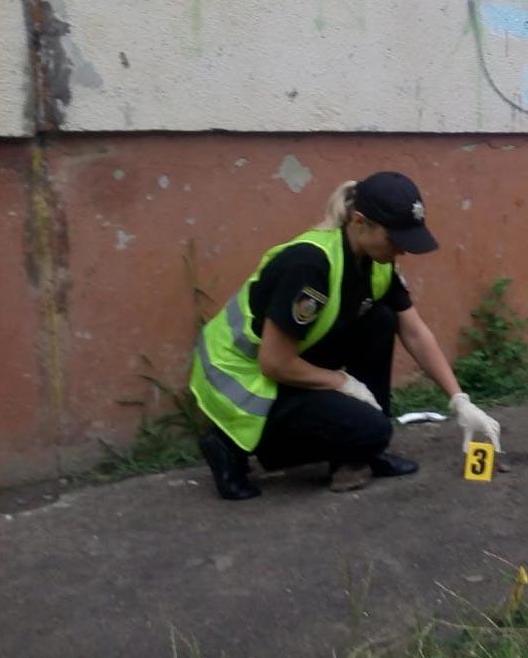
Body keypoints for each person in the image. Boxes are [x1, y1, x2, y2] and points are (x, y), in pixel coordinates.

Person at [190, 171, 502, 499]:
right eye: (394, 239)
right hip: (242, 379)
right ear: (359, 221)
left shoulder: (376, 261)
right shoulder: (310, 266)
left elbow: (413, 331)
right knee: (374, 430)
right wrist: (342, 383)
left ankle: (359, 451)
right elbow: (273, 362)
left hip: (287, 366)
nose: (402, 251)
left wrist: (460, 400)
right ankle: (228, 445)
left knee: (381, 320)